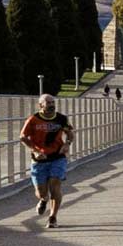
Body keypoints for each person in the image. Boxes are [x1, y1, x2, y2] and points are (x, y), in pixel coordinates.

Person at [20, 93, 75, 228]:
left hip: (57, 157)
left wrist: (67, 144)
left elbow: (70, 133)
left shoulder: (61, 118)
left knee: (55, 184)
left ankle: (52, 217)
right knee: (41, 192)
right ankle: (43, 200)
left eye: (52, 102)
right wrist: (35, 151)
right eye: (48, 103)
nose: (51, 105)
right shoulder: (33, 119)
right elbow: (22, 137)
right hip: (39, 159)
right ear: (41, 105)